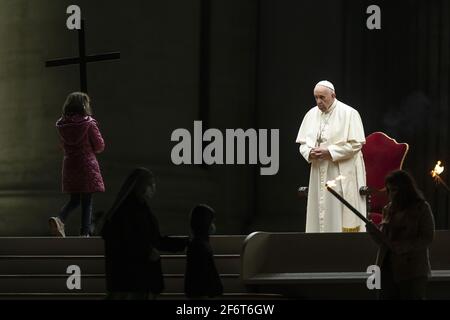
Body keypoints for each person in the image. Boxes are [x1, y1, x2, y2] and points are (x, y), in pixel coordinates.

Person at [101, 168, 187, 300]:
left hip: (139, 276)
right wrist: (147, 251)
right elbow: (123, 241)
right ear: (141, 187)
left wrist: (183, 243)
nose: (154, 188)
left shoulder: (143, 210)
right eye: (150, 184)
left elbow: (155, 240)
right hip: (129, 276)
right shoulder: (125, 212)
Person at [295, 80, 366, 232]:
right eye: (316, 97)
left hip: (340, 172)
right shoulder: (311, 114)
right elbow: (302, 144)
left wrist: (330, 152)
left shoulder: (349, 113)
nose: (318, 101)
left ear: (333, 95)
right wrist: (309, 152)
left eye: (322, 97)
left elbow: (356, 144)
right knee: (319, 209)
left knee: (337, 209)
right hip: (318, 170)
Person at [366, 170, 435, 300]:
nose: (390, 194)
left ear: (405, 189)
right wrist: (373, 231)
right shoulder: (388, 209)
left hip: (412, 270)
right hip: (387, 269)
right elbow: (384, 242)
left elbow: (427, 237)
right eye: (388, 190)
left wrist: (405, 247)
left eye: (394, 190)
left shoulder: (421, 208)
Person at [49, 92, 105, 237]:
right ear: (84, 105)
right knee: (87, 200)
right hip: (86, 165)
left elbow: (63, 145)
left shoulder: (62, 125)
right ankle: (85, 233)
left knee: (74, 200)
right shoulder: (89, 124)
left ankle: (60, 219)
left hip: (70, 165)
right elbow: (99, 145)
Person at [184, 204, 223, 299]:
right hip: (201, 294)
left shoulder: (199, 242)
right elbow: (203, 274)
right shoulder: (200, 245)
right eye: (211, 221)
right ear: (205, 222)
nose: (213, 225)